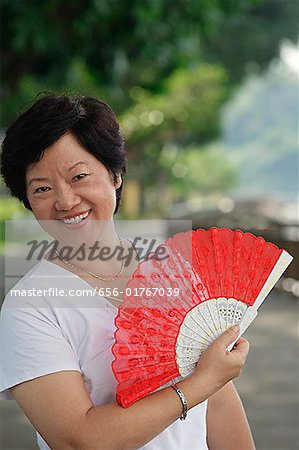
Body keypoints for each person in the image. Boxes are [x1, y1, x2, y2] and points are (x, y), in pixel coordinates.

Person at [0, 94, 255, 450]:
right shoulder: (29, 308)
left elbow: (220, 401)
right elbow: (79, 439)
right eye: (42, 188)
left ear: (115, 175)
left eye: (79, 176)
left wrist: (212, 381)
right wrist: (201, 382)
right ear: (28, 201)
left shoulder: (172, 272)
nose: (65, 201)